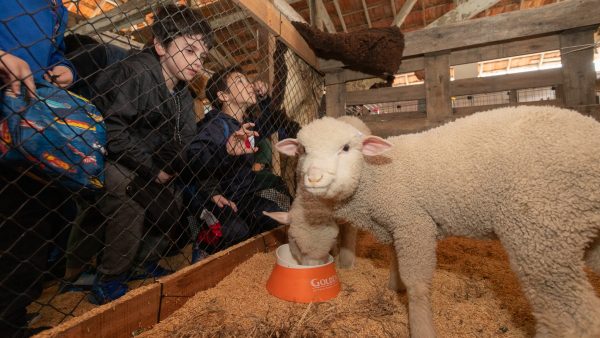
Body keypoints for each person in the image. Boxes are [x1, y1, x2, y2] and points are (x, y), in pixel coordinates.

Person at [88, 4, 220, 305]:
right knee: (129, 193)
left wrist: (172, 168)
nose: (197, 62)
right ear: (160, 45)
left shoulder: (184, 95)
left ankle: (139, 262)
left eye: (201, 56)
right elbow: (114, 129)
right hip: (111, 159)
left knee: (175, 201)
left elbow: (186, 141)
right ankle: (109, 278)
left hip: (153, 165)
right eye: (188, 51)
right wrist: (152, 169)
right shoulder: (134, 72)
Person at [0, 1, 76, 336]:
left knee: (28, 230)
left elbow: (55, 53)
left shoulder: (57, 8)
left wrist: (65, 69)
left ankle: (10, 319)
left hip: (27, 133)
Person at [186, 66, 293, 253]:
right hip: (218, 198)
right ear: (223, 96)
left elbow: (274, 121)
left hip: (243, 195)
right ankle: (202, 249)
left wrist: (264, 99)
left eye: (247, 80)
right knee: (236, 231)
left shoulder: (244, 126)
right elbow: (193, 160)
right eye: (240, 81)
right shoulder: (215, 125)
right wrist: (225, 152)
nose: (249, 85)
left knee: (274, 214)